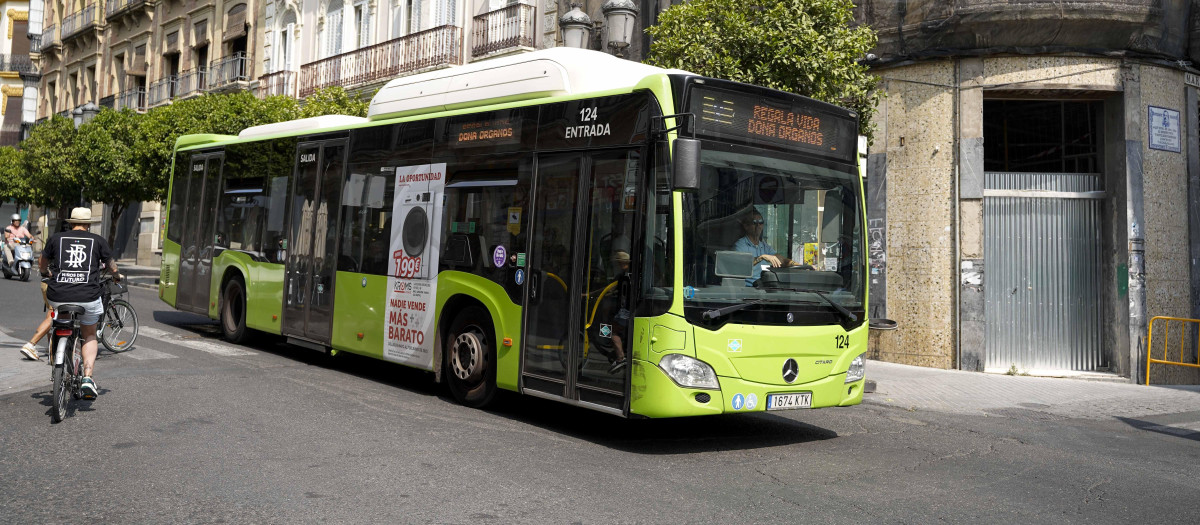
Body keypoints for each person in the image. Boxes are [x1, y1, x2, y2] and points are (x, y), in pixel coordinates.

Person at [39, 207, 120, 400]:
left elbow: (43, 261)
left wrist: (45, 273)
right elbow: (111, 266)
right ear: (88, 224)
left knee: (61, 321)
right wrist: (116, 276)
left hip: (58, 295)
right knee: (89, 334)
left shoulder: (56, 238)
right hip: (88, 297)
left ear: (71, 222)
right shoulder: (98, 241)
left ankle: (58, 354)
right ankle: (87, 377)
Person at [733, 210, 800, 286]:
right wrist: (761, 257)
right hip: (748, 289)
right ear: (746, 226)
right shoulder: (740, 245)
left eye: (761, 222)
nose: (758, 225)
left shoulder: (764, 246)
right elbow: (740, 265)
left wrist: (799, 266)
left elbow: (782, 260)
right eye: (754, 222)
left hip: (764, 286)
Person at [602, 249, 631, 374]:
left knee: (611, 331)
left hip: (625, 311)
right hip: (630, 310)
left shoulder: (623, 276)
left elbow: (609, 289)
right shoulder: (632, 274)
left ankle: (620, 358)